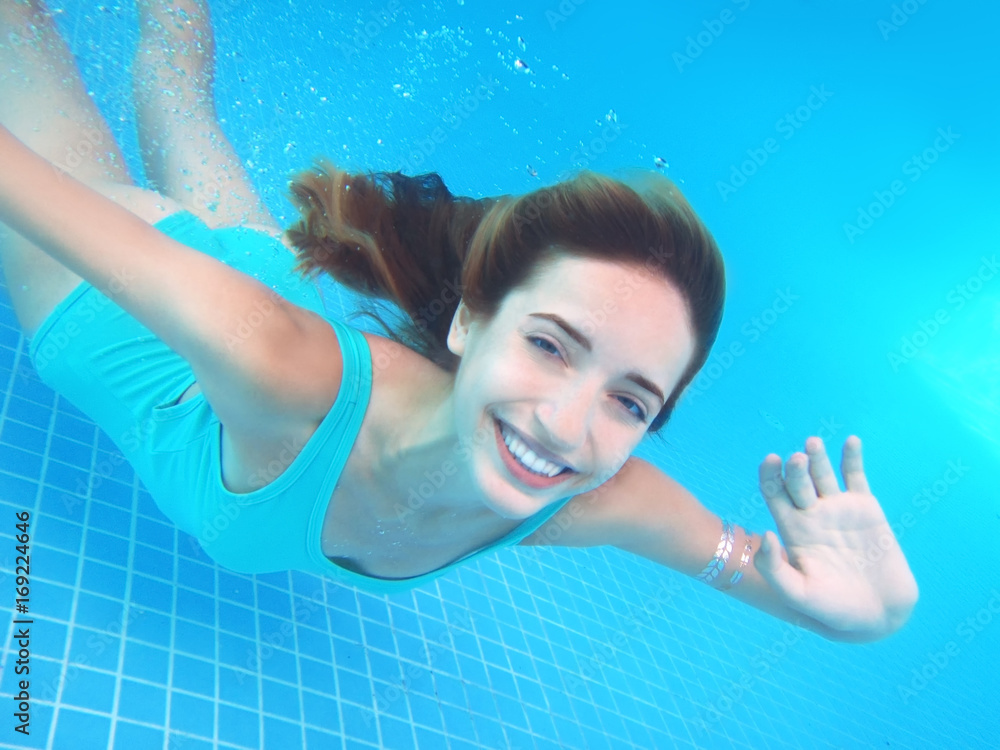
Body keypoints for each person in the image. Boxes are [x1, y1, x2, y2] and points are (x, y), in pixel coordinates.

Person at [0, 0, 917, 642]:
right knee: (22, 36)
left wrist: (859, 616)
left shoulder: (591, 494)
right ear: (470, 324)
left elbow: (755, 566)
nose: (567, 426)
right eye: (552, 345)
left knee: (177, 86)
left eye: (632, 402)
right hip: (120, 309)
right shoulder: (286, 374)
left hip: (265, 275)